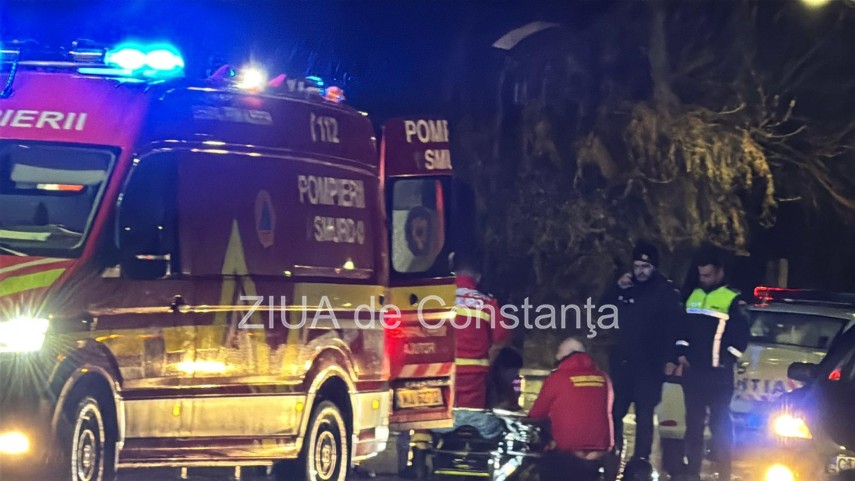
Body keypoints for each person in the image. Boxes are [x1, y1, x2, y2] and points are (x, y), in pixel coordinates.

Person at [668, 247, 750, 481]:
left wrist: (727, 358)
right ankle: (693, 471)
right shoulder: (692, 296)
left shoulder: (731, 299)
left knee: (719, 423)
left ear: (719, 272)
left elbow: (741, 335)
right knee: (693, 424)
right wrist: (681, 354)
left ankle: (724, 472)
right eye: (701, 275)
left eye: (708, 275)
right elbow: (682, 329)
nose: (704, 279)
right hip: (694, 372)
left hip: (718, 375)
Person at [600, 241, 682, 465]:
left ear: (654, 267)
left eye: (645, 267)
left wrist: (671, 358)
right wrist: (617, 288)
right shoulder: (626, 287)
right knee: (615, 411)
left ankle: (641, 460)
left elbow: (673, 328)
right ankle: (612, 451)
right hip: (623, 363)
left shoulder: (665, 292)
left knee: (644, 414)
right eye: (637, 266)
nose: (640, 271)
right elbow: (602, 309)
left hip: (649, 364)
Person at [445, 251, 513, 437]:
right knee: (474, 420)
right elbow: (502, 337)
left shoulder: (436, 299)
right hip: (474, 377)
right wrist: (488, 360)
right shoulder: (486, 303)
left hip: (439, 374)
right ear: (478, 277)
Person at [529, 337, 614, 481]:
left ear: (568, 354)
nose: (556, 356)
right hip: (599, 452)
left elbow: (537, 414)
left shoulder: (557, 378)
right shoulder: (604, 378)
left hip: (567, 452)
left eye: (559, 352)